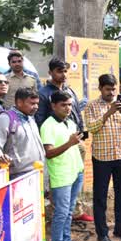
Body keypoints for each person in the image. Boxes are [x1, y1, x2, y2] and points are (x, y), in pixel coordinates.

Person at [35, 57, 91, 222]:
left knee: (76, 176)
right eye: (60, 71)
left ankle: (75, 212)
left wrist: (80, 133)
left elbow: (76, 114)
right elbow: (40, 120)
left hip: (75, 141)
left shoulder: (70, 90)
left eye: (65, 71)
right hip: (57, 143)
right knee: (59, 180)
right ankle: (58, 215)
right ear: (50, 72)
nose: (64, 74)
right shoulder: (44, 94)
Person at [84, 74, 121, 241]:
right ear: (100, 88)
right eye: (108, 89)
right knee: (100, 196)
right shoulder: (92, 106)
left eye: (114, 89)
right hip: (102, 157)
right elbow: (92, 128)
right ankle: (102, 233)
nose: (111, 92)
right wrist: (109, 112)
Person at [41, 91, 87, 241]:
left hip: (75, 171)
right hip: (60, 175)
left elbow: (74, 146)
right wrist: (69, 143)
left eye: (69, 105)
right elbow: (49, 153)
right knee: (61, 213)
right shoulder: (48, 125)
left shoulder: (70, 122)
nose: (68, 108)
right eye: (64, 105)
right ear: (53, 106)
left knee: (69, 211)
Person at [0, 87, 45, 178]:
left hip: (37, 173)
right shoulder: (5, 119)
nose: (36, 107)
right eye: (32, 103)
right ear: (19, 102)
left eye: (37, 103)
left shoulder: (31, 118)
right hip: (17, 176)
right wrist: (0, 158)